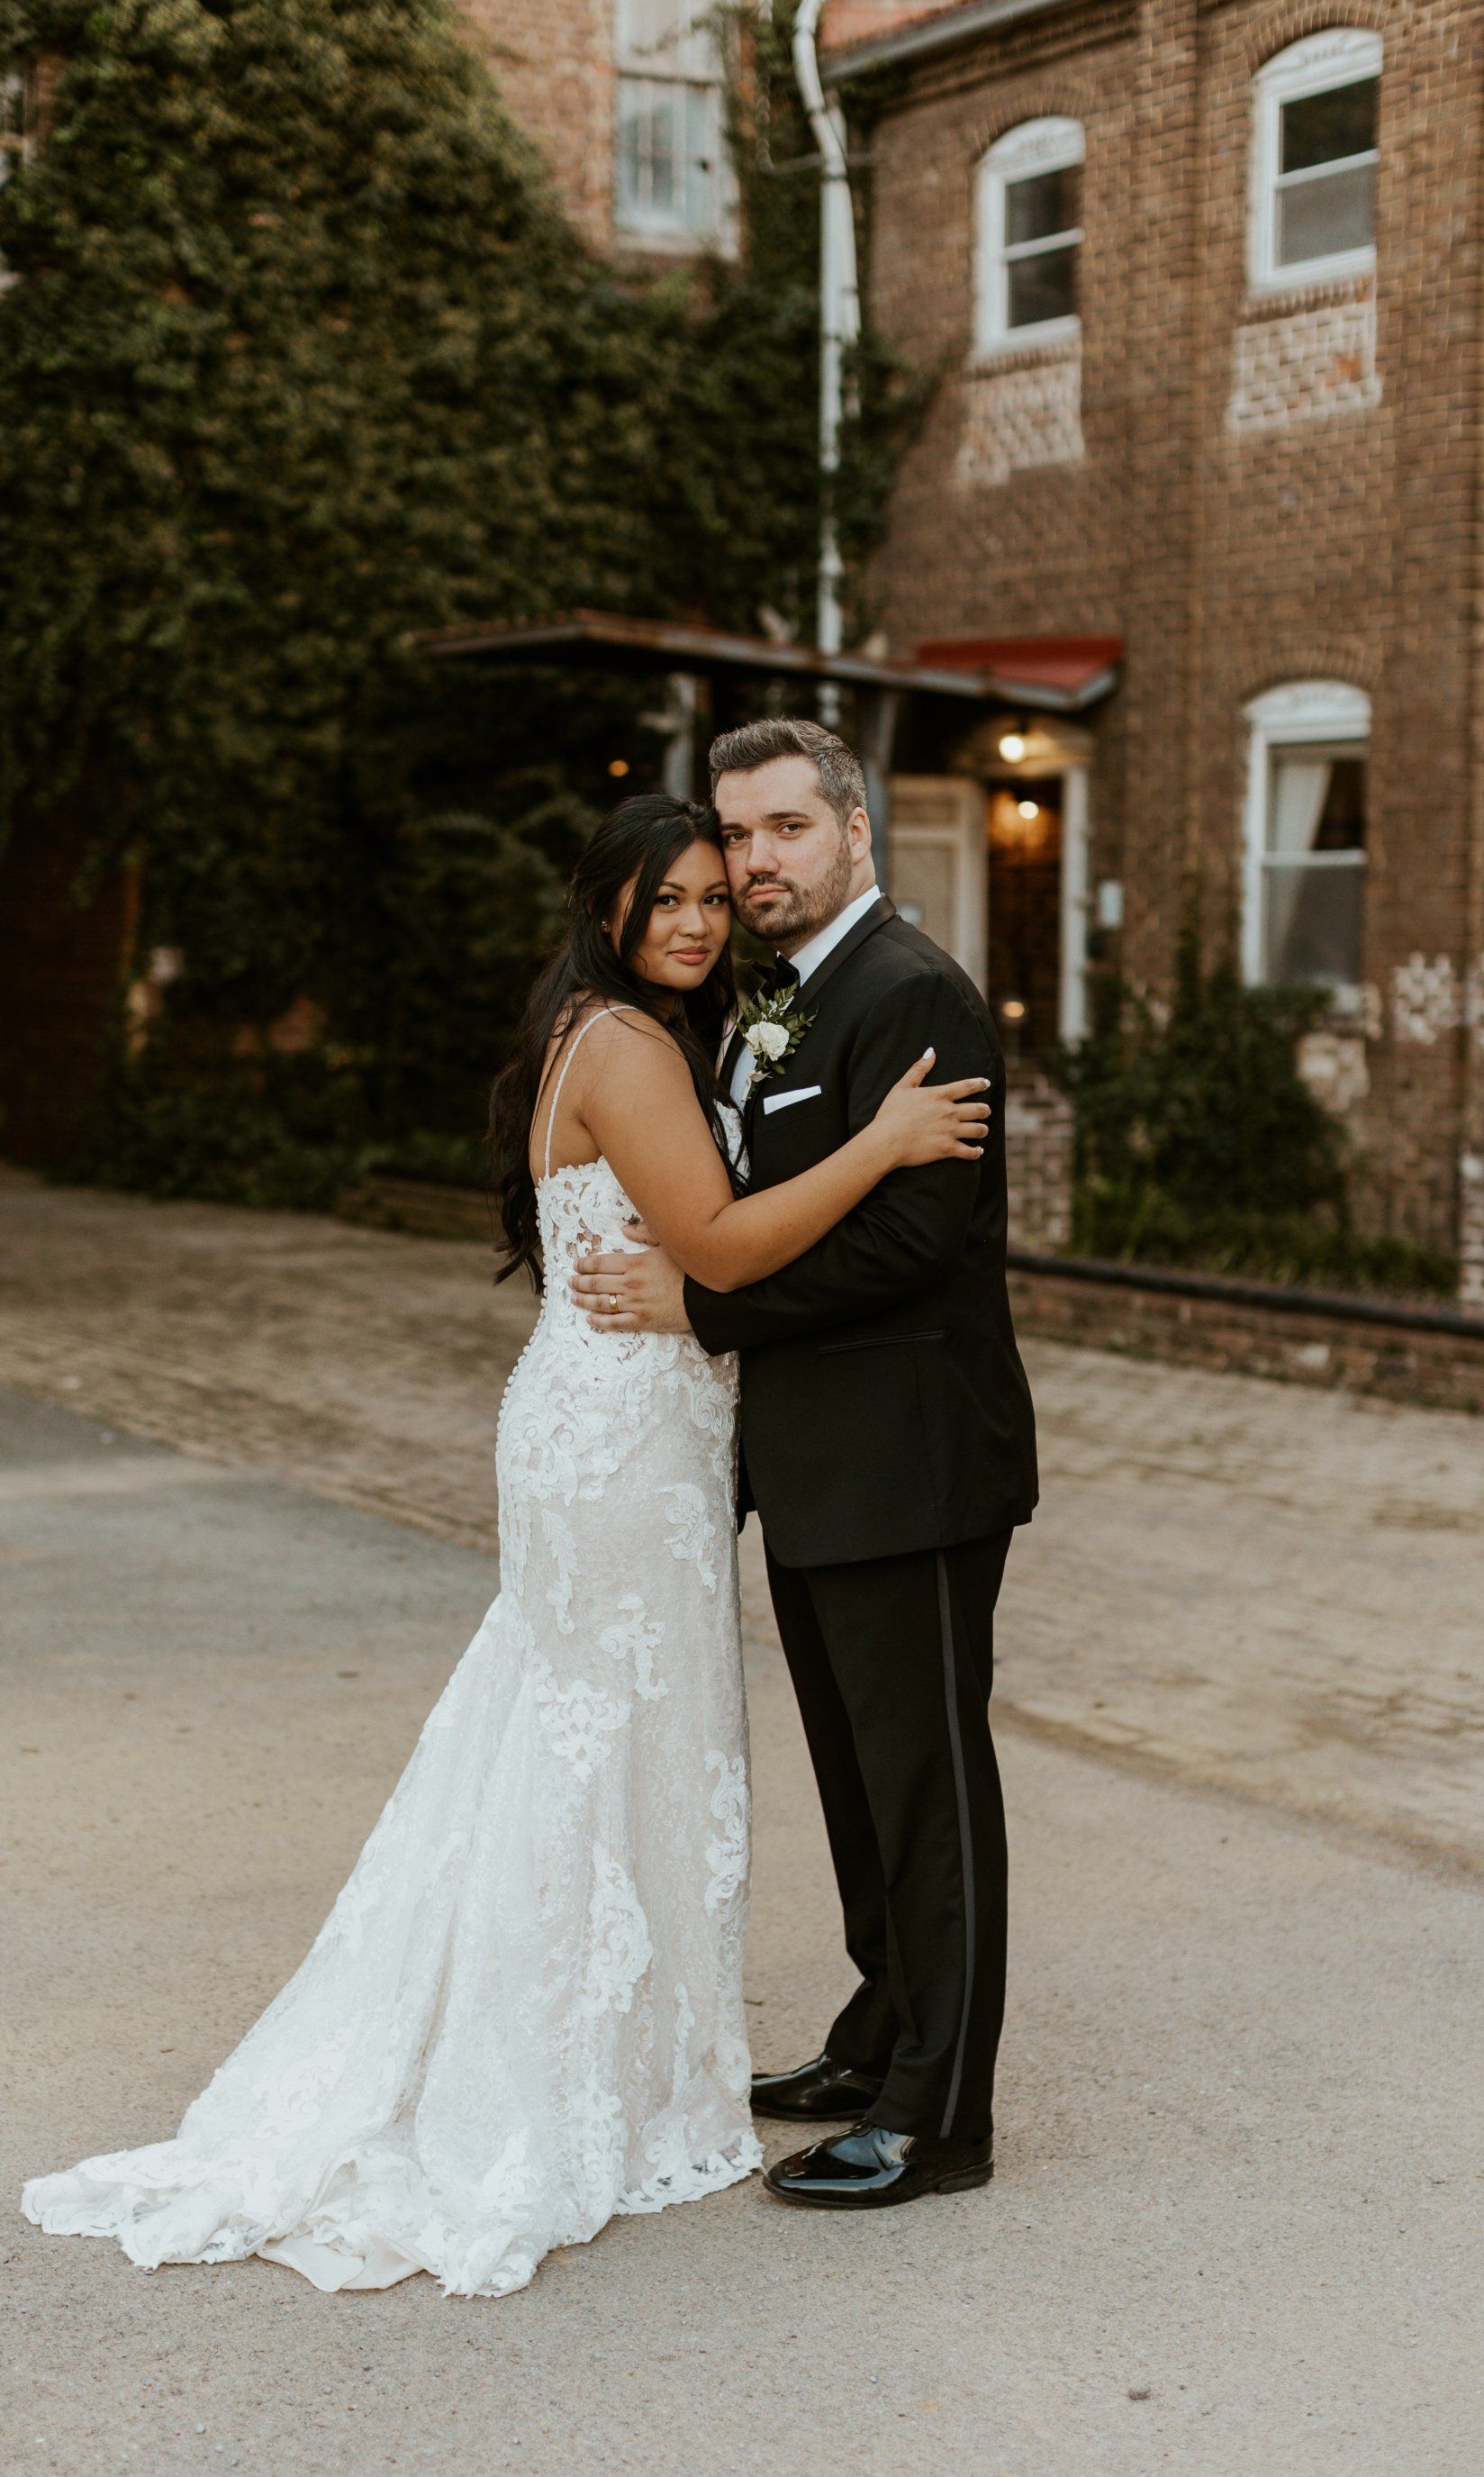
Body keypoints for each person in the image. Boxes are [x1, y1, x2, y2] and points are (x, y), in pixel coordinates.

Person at [21, 786, 990, 2297]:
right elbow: (722, 1247)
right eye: (665, 897)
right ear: (604, 908)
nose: (694, 919)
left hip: (618, 1426)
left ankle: (591, 2052)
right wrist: (880, 1142)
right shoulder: (623, 1045)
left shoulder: (623, 1033)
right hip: (621, 1439)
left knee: (578, 1729)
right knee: (599, 1738)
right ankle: (547, 2081)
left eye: (711, 898)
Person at [573, 719, 1038, 2212]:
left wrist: (708, 1301)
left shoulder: (913, 994)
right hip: (820, 1462)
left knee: (928, 1790)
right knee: (857, 1778)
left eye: (784, 829)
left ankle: (940, 2114)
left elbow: (919, 1241)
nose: (756, 860)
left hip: (911, 1459)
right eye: (739, 834)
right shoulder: (779, 999)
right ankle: (879, 2028)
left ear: (853, 829)